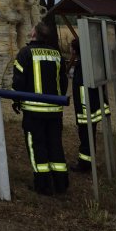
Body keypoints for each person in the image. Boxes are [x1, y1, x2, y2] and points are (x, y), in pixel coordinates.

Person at [12, 22, 69, 196]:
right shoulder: (56, 54)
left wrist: (16, 101)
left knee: (36, 145)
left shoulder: (25, 53)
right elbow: (63, 81)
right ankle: (61, 183)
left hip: (33, 110)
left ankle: (43, 184)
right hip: (54, 110)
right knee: (55, 144)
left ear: (34, 34)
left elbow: (18, 82)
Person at [68, 38, 110, 172]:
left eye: (71, 47)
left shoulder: (81, 66)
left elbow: (82, 89)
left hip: (85, 109)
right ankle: (87, 160)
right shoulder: (87, 63)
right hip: (90, 107)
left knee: (86, 136)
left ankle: (84, 164)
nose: (70, 50)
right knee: (89, 134)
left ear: (75, 50)